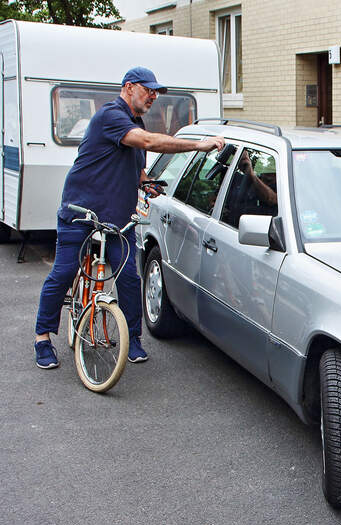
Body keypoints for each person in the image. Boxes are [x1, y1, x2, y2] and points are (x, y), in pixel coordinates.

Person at [33, 66, 224, 369]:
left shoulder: (135, 120)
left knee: (129, 277)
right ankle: (42, 338)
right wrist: (198, 145)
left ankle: (132, 339)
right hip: (80, 212)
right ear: (129, 87)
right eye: (149, 90)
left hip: (115, 218)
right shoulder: (111, 115)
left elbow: (136, 164)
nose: (153, 96)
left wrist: (146, 183)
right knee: (64, 271)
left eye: (156, 92)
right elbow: (147, 142)